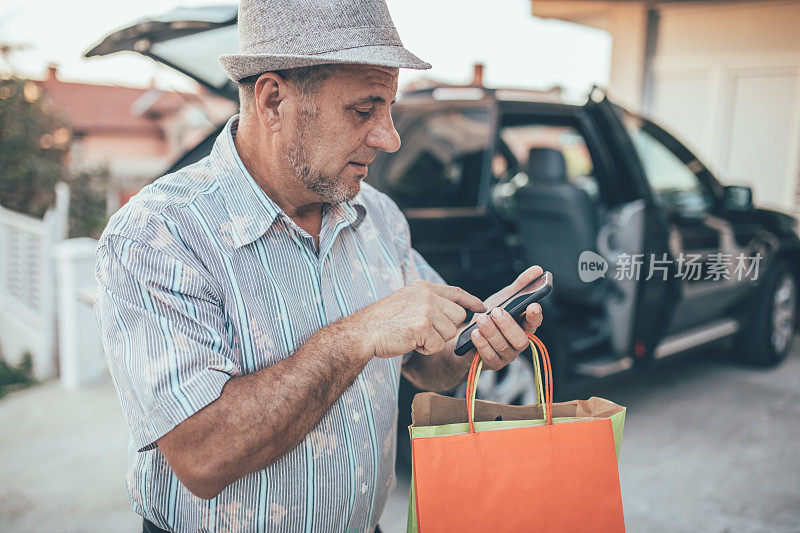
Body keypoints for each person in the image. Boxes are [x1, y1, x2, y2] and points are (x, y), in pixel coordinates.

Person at [93, 0, 545, 531]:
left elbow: (427, 365)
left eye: (389, 108)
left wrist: (474, 344)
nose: (390, 137)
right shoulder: (157, 235)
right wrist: (358, 335)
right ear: (273, 99)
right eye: (364, 110)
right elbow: (202, 457)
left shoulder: (378, 215)